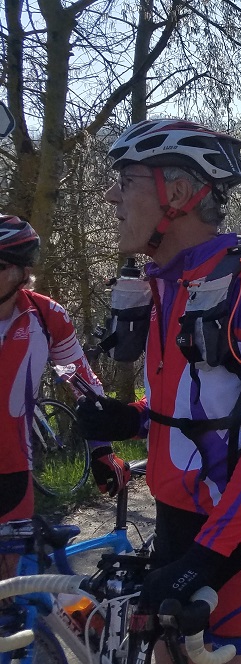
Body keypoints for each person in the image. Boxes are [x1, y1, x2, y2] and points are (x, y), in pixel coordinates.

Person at [76, 119, 241, 664]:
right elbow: (194, 413)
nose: (111, 195)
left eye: (125, 179)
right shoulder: (164, 283)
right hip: (176, 524)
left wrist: (211, 552)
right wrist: (129, 420)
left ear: (175, 194)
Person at [0, 214, 129, 536]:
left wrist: (101, 448)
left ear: (23, 271)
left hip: (12, 473)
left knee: (14, 581)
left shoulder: (46, 316)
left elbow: (79, 378)